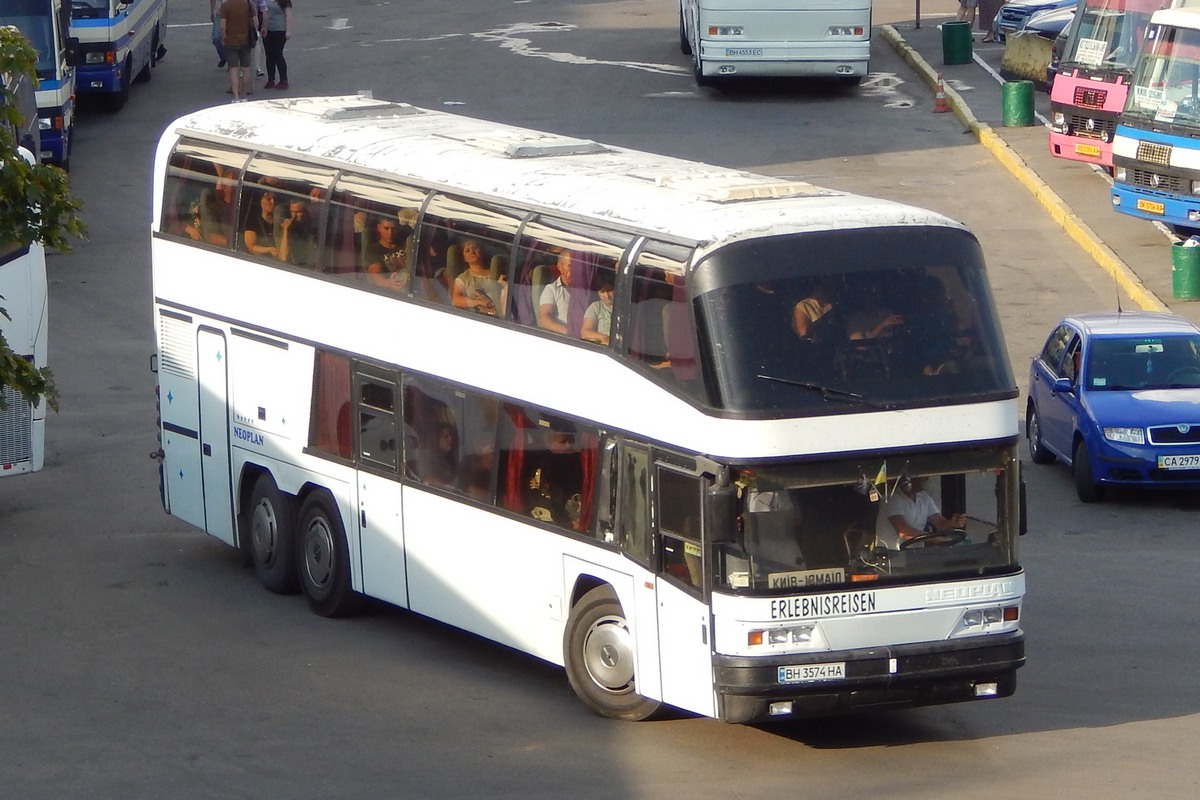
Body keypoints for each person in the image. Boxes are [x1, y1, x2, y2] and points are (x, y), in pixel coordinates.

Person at [885, 476, 967, 547]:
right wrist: (933, 538)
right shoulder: (892, 497)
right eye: (922, 476)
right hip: (891, 556)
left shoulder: (924, 497)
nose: (927, 478)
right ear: (908, 479)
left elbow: (940, 523)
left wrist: (952, 523)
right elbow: (902, 531)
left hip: (915, 554)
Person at [451, 238, 506, 314]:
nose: (472, 252)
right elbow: (456, 300)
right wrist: (479, 302)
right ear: (464, 258)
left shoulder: (497, 272)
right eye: (467, 251)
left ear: (482, 250)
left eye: (475, 248)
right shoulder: (464, 278)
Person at [219, 0, 255, 102]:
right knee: (246, 69)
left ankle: (236, 97)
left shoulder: (225, 6)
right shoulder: (247, 4)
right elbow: (255, 22)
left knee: (233, 70)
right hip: (245, 41)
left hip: (231, 42)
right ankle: (244, 95)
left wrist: (223, 37)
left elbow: (222, 26)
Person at [363, 214, 409, 290]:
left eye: (393, 229)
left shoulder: (405, 244)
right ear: (379, 228)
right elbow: (375, 275)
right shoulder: (373, 250)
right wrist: (387, 283)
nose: (390, 233)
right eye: (386, 228)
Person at [537, 249, 576, 334]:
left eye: (576, 266)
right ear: (559, 267)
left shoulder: (585, 291)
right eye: (570, 266)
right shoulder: (551, 289)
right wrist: (568, 333)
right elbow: (543, 319)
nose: (574, 270)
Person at [278, 199, 318, 267]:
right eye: (292, 212)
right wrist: (286, 231)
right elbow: (283, 257)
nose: (294, 216)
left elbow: (314, 256)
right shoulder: (289, 227)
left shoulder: (313, 227)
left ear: (306, 211)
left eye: (298, 212)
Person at [263, 0, 293, 89]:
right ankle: (271, 79)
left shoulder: (284, 1)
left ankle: (283, 80)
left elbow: (288, 15)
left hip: (280, 30)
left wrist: (288, 30)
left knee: (277, 54)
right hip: (268, 30)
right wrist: (263, 27)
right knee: (269, 56)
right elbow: (264, 13)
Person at [242, 189, 279, 258]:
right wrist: (268, 250)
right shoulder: (253, 222)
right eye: (268, 199)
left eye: (275, 199)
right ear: (261, 201)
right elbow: (251, 247)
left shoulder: (280, 223)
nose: (272, 202)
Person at [580, 276, 614, 345]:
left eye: (609, 291)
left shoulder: (626, 307)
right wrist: (606, 338)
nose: (606, 295)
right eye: (602, 292)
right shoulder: (595, 307)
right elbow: (585, 332)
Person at [210, 0, 227, 68]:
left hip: (234, 12)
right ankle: (224, 57)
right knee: (216, 38)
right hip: (221, 13)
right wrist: (212, 11)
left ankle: (233, 61)